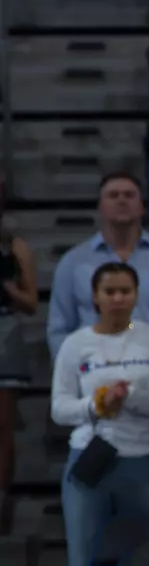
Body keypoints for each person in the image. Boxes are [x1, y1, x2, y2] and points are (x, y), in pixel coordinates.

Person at [51, 263, 149, 566]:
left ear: (136, 295)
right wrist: (96, 405)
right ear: (95, 296)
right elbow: (59, 408)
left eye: (125, 291)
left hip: (141, 458)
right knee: (80, 561)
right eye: (110, 291)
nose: (118, 298)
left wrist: (130, 398)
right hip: (90, 456)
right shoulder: (76, 344)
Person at [48, 172, 149, 366]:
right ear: (100, 207)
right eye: (113, 195)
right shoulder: (73, 262)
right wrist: (73, 369)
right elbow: (59, 326)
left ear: (143, 206)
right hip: (94, 373)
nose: (121, 200)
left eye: (129, 195)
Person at [0, 217, 37, 531]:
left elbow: (31, 303)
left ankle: (1, 499)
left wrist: (7, 287)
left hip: (4, 334)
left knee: (2, 426)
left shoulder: (14, 245)